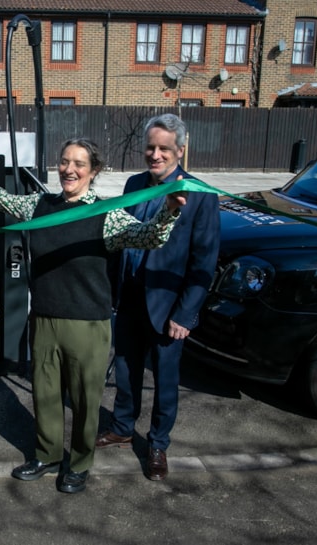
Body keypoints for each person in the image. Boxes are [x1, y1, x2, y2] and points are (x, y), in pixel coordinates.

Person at [0, 139, 184, 494]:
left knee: (86, 401)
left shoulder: (108, 214)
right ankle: (47, 454)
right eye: (64, 161)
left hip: (88, 324)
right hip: (43, 319)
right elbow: (3, 200)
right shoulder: (40, 205)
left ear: (94, 171)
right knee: (45, 394)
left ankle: (80, 462)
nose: (69, 169)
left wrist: (169, 211)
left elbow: (149, 237)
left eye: (79, 164)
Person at [95, 113, 220, 481]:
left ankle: (158, 444)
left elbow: (204, 260)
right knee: (125, 369)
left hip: (168, 305)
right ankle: (121, 426)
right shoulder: (134, 184)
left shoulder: (200, 194)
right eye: (151, 147)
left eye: (164, 148)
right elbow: (120, 237)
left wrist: (186, 314)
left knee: (165, 380)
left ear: (180, 150)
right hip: (130, 297)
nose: (156, 154)